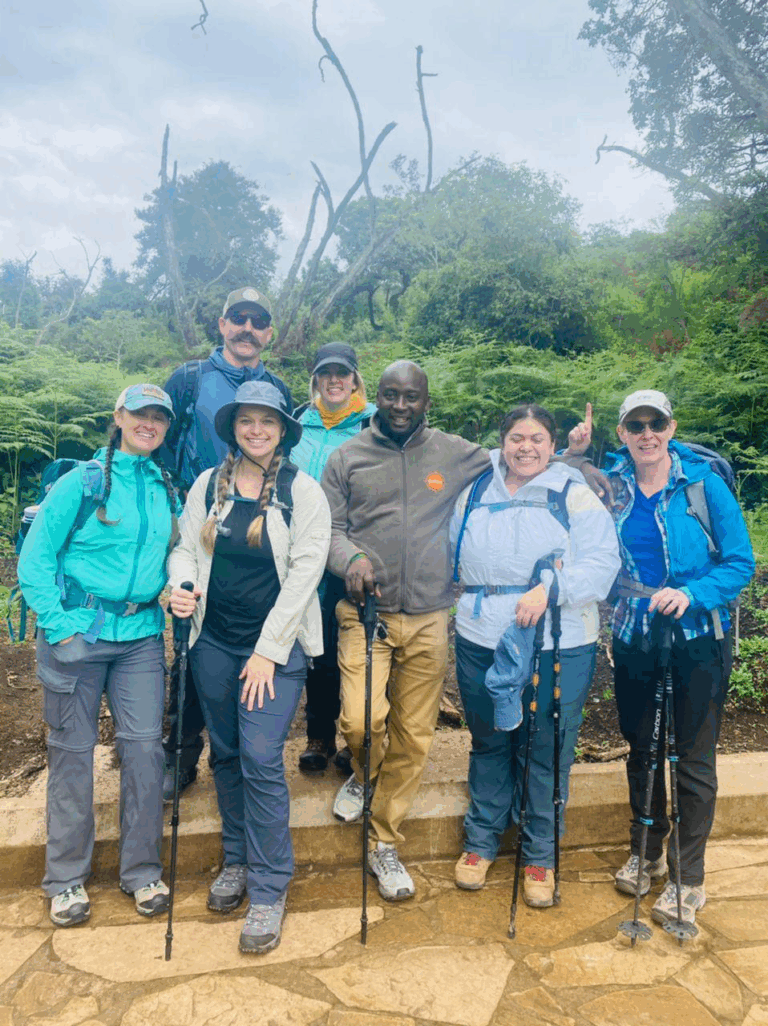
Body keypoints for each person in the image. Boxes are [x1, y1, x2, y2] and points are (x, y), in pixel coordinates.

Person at [567, 390, 755, 928]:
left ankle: (687, 876)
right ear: (622, 433)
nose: (646, 434)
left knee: (693, 758)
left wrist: (693, 594)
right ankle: (646, 850)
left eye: (655, 423)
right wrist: (575, 456)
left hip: (697, 635)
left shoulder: (703, 486)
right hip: (634, 633)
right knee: (643, 747)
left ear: (671, 428)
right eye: (635, 425)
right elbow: (548, 488)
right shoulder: (610, 483)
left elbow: (740, 562)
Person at [167, 380, 330, 954]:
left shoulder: (301, 491)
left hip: (274, 652)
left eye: (267, 421)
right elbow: (187, 547)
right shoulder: (209, 485)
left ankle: (268, 887)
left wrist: (267, 650)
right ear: (233, 427)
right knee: (228, 753)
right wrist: (181, 584)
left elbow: (307, 572)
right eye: (246, 421)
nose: (256, 430)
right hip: (212, 642)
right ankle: (235, 860)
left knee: (261, 757)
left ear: (283, 429)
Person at [321, 360, 492, 901]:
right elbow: (328, 527)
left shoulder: (454, 453)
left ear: (426, 402)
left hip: (429, 616)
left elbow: (520, 458)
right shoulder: (347, 456)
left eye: (410, 397)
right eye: (390, 395)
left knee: (415, 735)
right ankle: (363, 772)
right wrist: (349, 558)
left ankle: (385, 844)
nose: (399, 406)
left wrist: (574, 460)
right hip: (365, 614)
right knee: (360, 720)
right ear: (377, 397)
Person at [18, 384, 181, 927]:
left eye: (159, 417)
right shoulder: (81, 483)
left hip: (139, 636)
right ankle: (65, 879)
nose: (149, 424)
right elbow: (36, 557)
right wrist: (59, 625)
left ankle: (141, 872)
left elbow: (178, 553)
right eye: (140, 414)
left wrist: (178, 590)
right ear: (119, 417)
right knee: (72, 754)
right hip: (78, 634)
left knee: (143, 752)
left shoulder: (164, 486)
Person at [449, 404, 620, 903]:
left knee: (544, 748)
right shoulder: (476, 491)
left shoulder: (574, 493)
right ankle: (480, 842)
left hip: (558, 641)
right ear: (501, 443)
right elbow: (448, 552)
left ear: (552, 445)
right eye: (517, 437)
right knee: (488, 740)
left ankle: (540, 854)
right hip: (481, 634)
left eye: (538, 438)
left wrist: (553, 588)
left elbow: (604, 564)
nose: (526, 447)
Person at [159, 286, 293, 801]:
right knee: (191, 645)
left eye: (258, 321)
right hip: (198, 527)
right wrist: (178, 513)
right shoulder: (191, 379)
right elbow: (162, 446)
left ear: (269, 334)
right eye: (238, 318)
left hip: (255, 533)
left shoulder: (275, 386)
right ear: (221, 324)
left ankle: (232, 750)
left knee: (244, 641)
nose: (247, 328)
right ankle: (180, 753)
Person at [290, 342, 376, 773]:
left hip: (352, 552)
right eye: (327, 373)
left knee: (355, 646)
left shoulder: (373, 424)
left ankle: (351, 738)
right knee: (316, 647)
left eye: (343, 373)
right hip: (304, 554)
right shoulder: (296, 426)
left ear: (355, 379)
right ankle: (319, 736)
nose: (335, 380)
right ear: (316, 380)